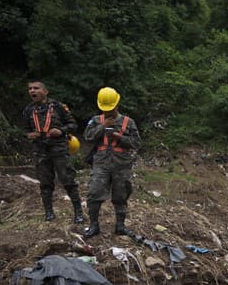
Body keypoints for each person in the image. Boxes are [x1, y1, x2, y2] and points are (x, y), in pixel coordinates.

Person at [22, 81, 84, 223]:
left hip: (59, 148)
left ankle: (78, 212)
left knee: (68, 180)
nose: (32, 91)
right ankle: (49, 212)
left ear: (45, 91)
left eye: (36, 88)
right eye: (30, 89)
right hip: (40, 150)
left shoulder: (58, 107)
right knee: (45, 182)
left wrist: (61, 130)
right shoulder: (28, 110)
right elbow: (24, 130)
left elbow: (73, 124)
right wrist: (29, 135)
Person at [83, 86, 141, 237]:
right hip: (101, 163)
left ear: (117, 104)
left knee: (120, 196)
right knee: (94, 193)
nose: (108, 111)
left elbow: (136, 143)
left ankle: (120, 226)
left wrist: (119, 137)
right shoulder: (96, 121)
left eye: (110, 107)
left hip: (121, 164)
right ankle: (94, 226)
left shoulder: (128, 122)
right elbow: (88, 137)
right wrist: (103, 127)